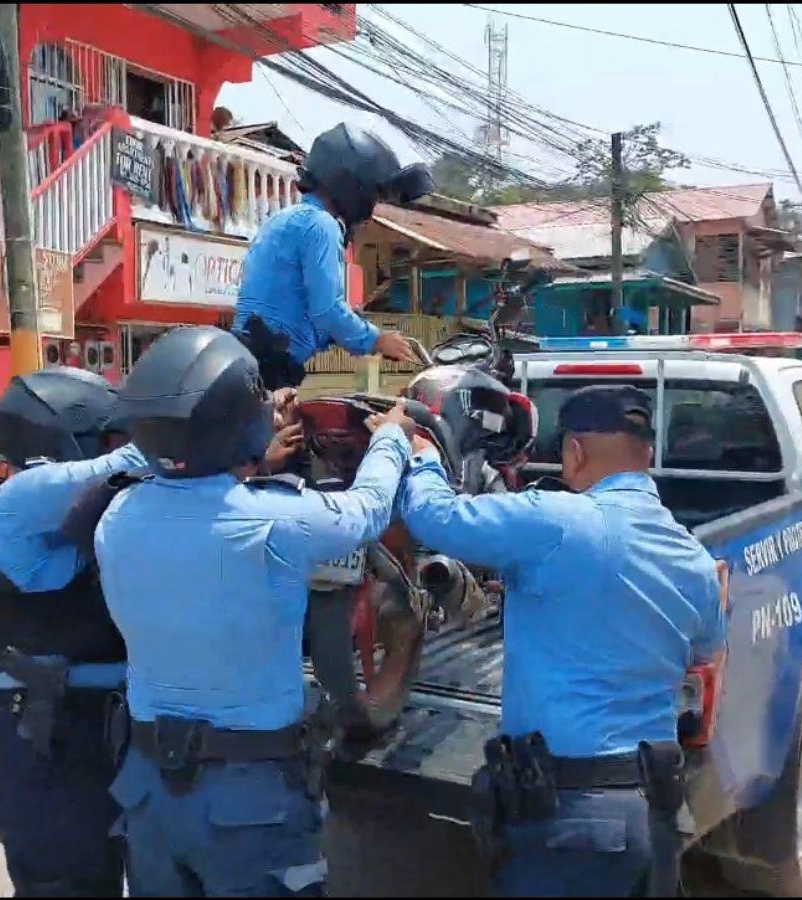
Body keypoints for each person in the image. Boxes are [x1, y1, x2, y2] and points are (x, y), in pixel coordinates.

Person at [95, 325, 414, 897]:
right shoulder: (274, 522)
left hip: (149, 787)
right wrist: (392, 438)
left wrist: (253, 446)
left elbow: (199, 492)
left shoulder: (118, 515)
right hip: (249, 799)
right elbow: (366, 510)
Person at [398, 384, 725, 898]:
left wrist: (420, 456)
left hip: (573, 825)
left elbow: (434, 518)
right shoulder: (695, 559)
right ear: (649, 456)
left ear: (574, 453)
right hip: (653, 816)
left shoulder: (557, 521)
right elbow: (703, 651)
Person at [0, 368, 148, 898]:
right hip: (48, 746)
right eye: (113, 436)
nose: (125, 445)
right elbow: (140, 462)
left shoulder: (111, 515)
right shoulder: (18, 499)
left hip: (115, 734)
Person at [233, 123, 434, 389]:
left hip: (246, 356)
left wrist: (352, 328)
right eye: (372, 195)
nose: (371, 207)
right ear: (353, 186)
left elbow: (302, 307)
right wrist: (376, 340)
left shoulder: (283, 218)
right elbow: (326, 310)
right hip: (270, 363)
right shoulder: (321, 226)